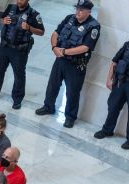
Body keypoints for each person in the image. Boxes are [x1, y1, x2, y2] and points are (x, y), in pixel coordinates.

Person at [34, 0, 100, 128]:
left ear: (89, 12)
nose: (78, 12)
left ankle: (70, 117)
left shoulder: (94, 26)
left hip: (75, 65)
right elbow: (55, 33)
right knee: (52, 85)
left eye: (81, 10)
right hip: (60, 60)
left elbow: (86, 47)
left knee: (72, 92)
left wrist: (63, 51)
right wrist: (54, 47)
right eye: (77, 9)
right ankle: (48, 107)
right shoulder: (69, 18)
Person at [0, 0, 44, 109]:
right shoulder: (10, 8)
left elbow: (41, 32)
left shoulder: (34, 14)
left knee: (19, 75)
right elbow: (1, 19)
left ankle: (17, 99)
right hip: (4, 47)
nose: (19, 1)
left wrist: (29, 28)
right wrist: (4, 21)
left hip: (19, 51)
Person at [94, 22, 129, 150]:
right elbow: (114, 61)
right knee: (113, 106)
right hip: (121, 83)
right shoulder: (128, 45)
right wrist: (109, 79)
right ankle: (107, 130)